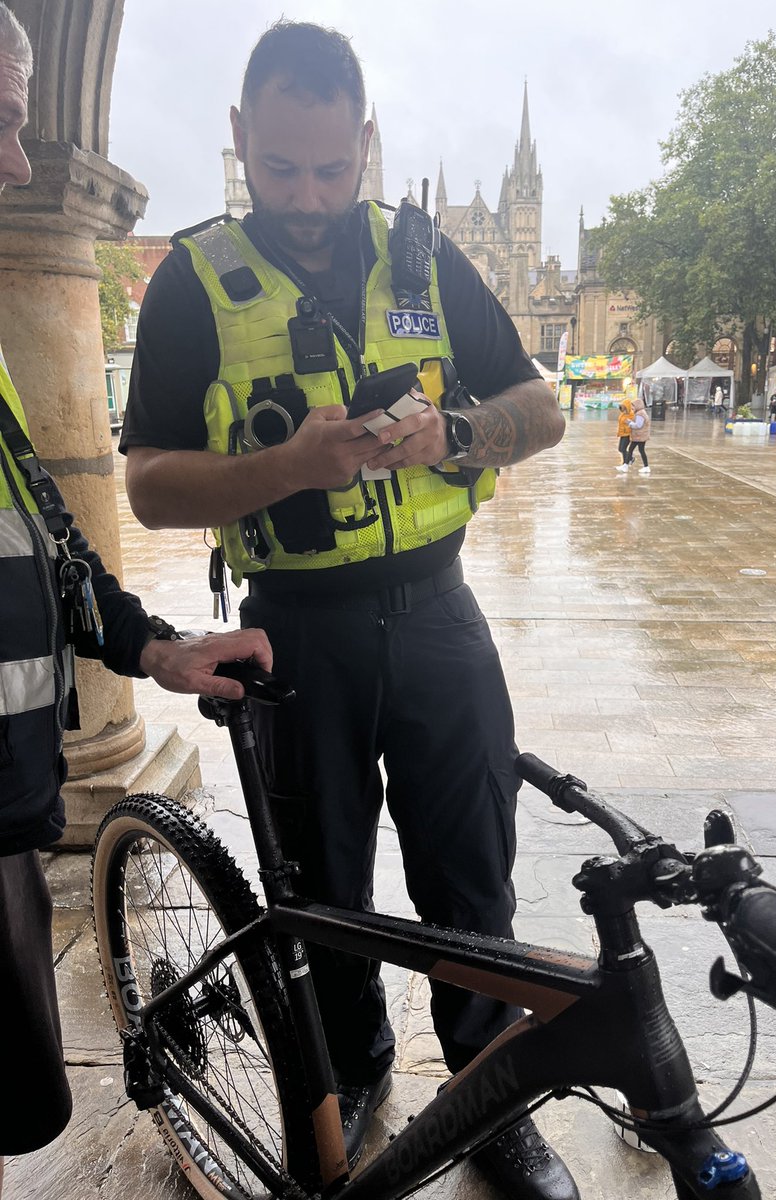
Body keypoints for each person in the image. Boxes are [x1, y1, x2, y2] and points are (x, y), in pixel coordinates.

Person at [121, 20, 575, 1200]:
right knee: (319, 889)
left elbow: (546, 404)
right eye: (280, 169)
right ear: (238, 141)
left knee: (474, 879)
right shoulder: (191, 281)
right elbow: (147, 481)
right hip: (293, 629)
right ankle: (354, 1064)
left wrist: (461, 431)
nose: (308, 196)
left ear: (366, 142)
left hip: (439, 615)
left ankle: (489, 1097)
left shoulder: (425, 258)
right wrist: (287, 470)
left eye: (332, 168)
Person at [0, 9, 274, 1193]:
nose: (18, 165)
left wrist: (160, 650)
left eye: (21, 124)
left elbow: (49, 547)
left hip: (4, 820)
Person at [615, 398, 651, 474]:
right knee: (639, 450)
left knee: (631, 450)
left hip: (639, 436)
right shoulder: (640, 413)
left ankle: (626, 466)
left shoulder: (639, 414)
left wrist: (629, 423)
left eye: (633, 406)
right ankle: (644, 467)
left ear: (638, 406)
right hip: (640, 435)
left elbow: (638, 425)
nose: (632, 408)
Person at [616, 397, 635, 464]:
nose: (622, 408)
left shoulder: (631, 415)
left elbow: (633, 424)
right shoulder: (623, 414)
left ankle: (625, 463)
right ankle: (630, 457)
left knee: (623, 449)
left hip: (627, 434)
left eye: (623, 407)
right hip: (622, 433)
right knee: (620, 449)